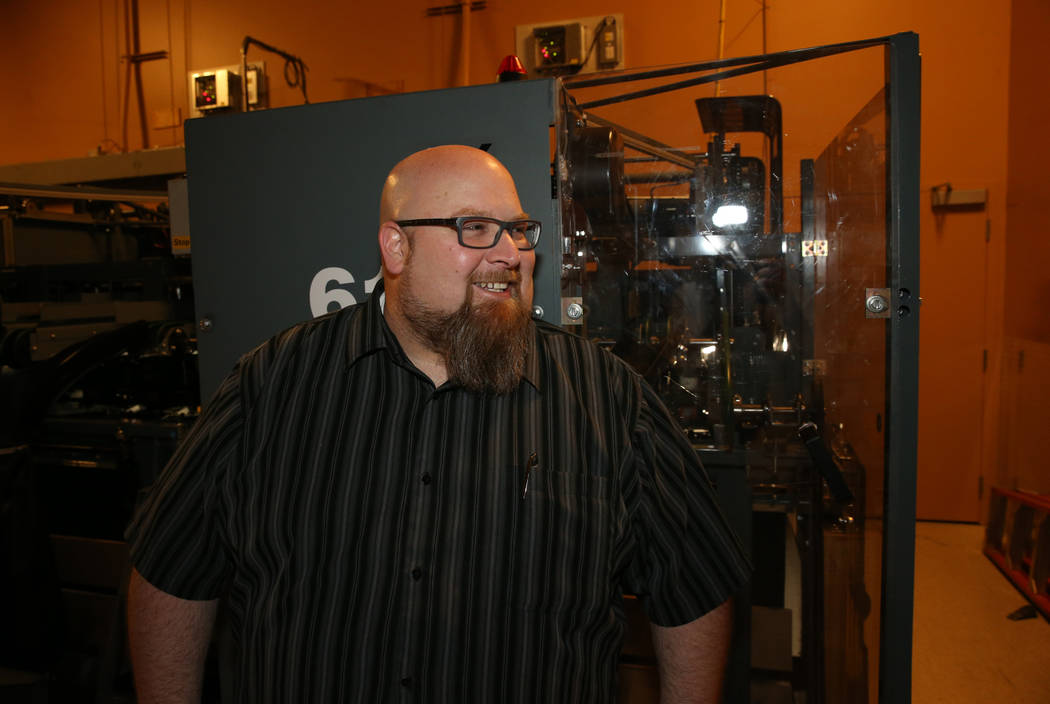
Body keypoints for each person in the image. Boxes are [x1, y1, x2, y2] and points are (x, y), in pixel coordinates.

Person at [125, 145, 750, 703]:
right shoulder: (273, 383)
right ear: (397, 247)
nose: (511, 254)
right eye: (474, 228)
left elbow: (693, 587)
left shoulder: (605, 396)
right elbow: (171, 571)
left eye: (519, 230)